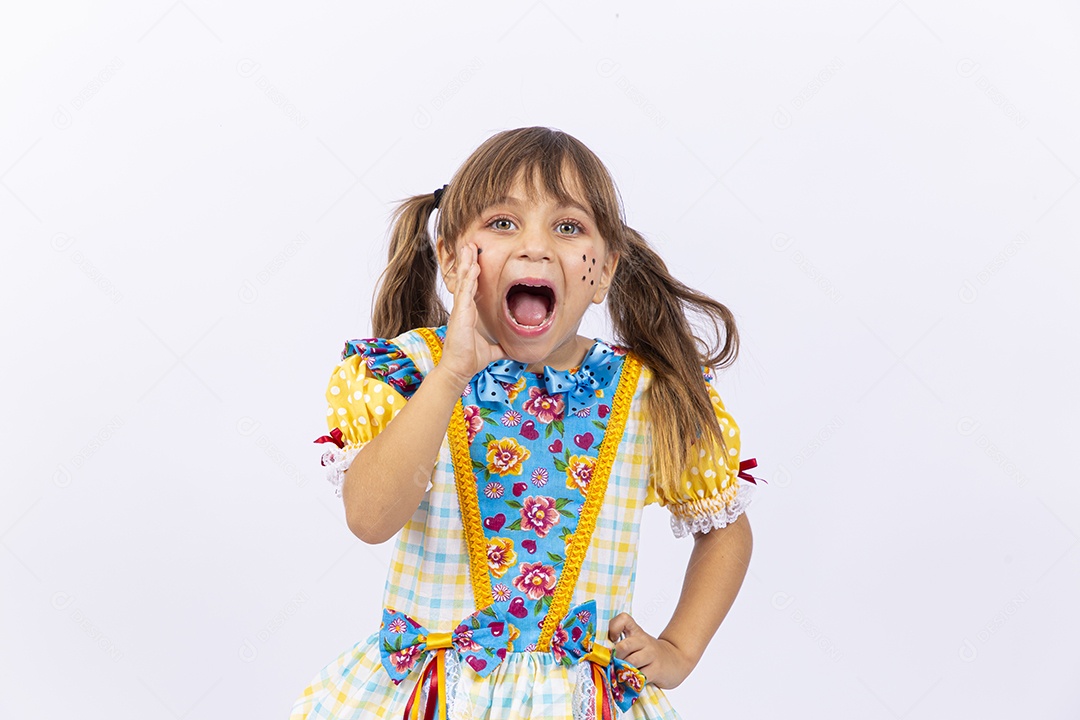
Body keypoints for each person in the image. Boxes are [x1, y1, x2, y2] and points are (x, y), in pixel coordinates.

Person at [293, 126, 765, 720]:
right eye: (502, 223)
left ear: (604, 272)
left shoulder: (645, 396)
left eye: (568, 228)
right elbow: (367, 518)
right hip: (431, 700)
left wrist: (679, 649)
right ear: (449, 257)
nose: (535, 247)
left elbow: (725, 528)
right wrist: (451, 375)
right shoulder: (408, 374)